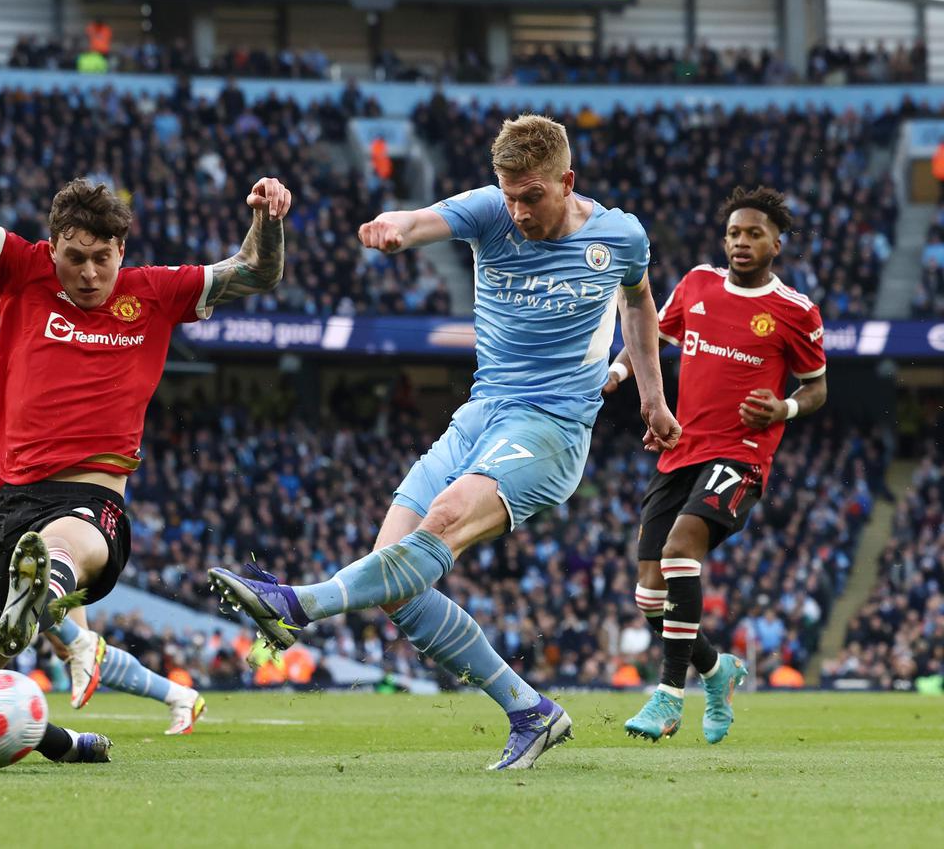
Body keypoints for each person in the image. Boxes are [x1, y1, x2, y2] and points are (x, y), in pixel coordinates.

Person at [210, 114, 680, 770]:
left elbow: (639, 305)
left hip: (549, 428)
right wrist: (395, 226)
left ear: (566, 182)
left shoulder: (620, 235)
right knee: (395, 580)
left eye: (532, 197)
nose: (517, 211)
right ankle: (529, 710)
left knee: (444, 520)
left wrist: (652, 399)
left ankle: (297, 602)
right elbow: (424, 217)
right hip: (479, 416)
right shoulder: (490, 211)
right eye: (508, 194)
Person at [0, 69, 290, 764]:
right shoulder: (20, 270)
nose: (88, 273)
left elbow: (256, 272)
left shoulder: (155, 293)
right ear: (53, 247)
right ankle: (64, 739)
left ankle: (49, 588)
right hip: (1, 508)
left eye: (103, 258)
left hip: (92, 500)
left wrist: (267, 220)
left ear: (123, 250)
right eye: (76, 257)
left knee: (64, 540)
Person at [604, 185, 826, 742]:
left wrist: (786, 406)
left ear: (777, 242)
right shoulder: (697, 285)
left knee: (681, 550)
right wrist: (616, 373)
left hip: (742, 455)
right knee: (649, 594)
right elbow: (649, 335)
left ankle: (668, 697)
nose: (742, 242)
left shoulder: (794, 312)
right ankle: (716, 669)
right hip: (680, 447)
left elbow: (818, 385)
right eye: (734, 233)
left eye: (754, 233)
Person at [0, 338, 207, 735]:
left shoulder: (66, 336)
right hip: (6, 501)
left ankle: (171, 696)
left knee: (66, 630)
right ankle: (177, 696)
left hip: (69, 501)